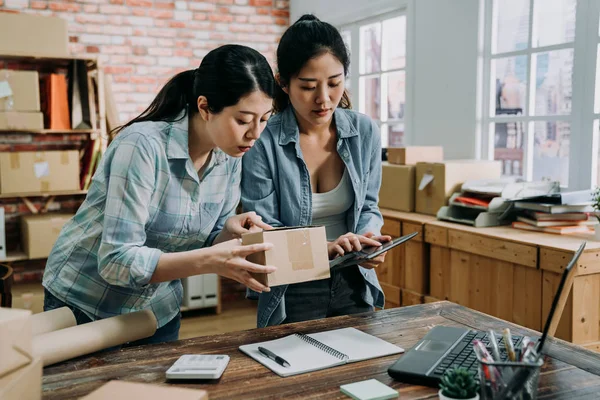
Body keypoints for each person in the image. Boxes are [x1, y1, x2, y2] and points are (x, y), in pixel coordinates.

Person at [42, 44, 277, 345]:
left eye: (264, 119)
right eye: (243, 120)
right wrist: (209, 260)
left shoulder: (230, 156)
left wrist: (224, 235)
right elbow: (116, 260)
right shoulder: (141, 146)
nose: (255, 134)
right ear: (205, 107)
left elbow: (200, 236)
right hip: (86, 301)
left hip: (156, 308)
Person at [241, 15, 391, 328]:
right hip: (292, 286)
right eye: (308, 87)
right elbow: (262, 229)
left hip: (353, 278)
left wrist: (368, 238)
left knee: (359, 369)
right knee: (295, 373)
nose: (324, 100)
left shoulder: (364, 131)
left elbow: (369, 207)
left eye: (335, 83)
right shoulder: (263, 139)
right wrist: (319, 250)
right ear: (283, 82)